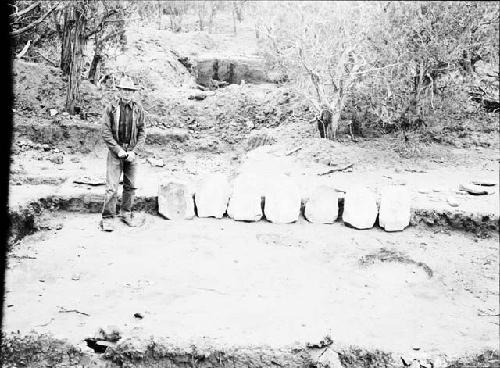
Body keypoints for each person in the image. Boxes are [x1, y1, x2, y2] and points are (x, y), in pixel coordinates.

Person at [100, 76, 146, 231]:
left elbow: (142, 132)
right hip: (116, 152)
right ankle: (107, 217)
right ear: (119, 91)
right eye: (124, 90)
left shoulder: (138, 109)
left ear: (133, 92)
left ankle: (126, 213)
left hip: (131, 153)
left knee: (131, 186)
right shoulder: (111, 108)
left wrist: (134, 151)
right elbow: (106, 132)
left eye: (130, 90)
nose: (127, 93)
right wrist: (118, 150)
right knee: (112, 187)